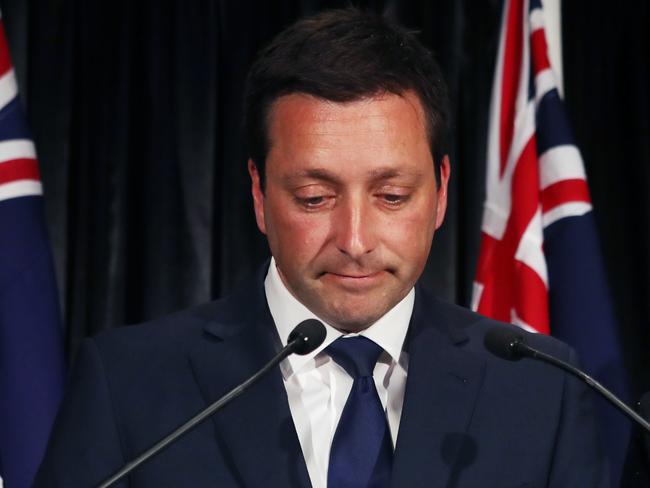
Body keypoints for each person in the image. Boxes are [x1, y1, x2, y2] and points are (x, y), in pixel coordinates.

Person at [35, 8, 607, 488]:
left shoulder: (542, 393)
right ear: (259, 194)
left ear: (440, 194)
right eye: (313, 198)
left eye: (392, 195)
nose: (354, 240)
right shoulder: (128, 386)